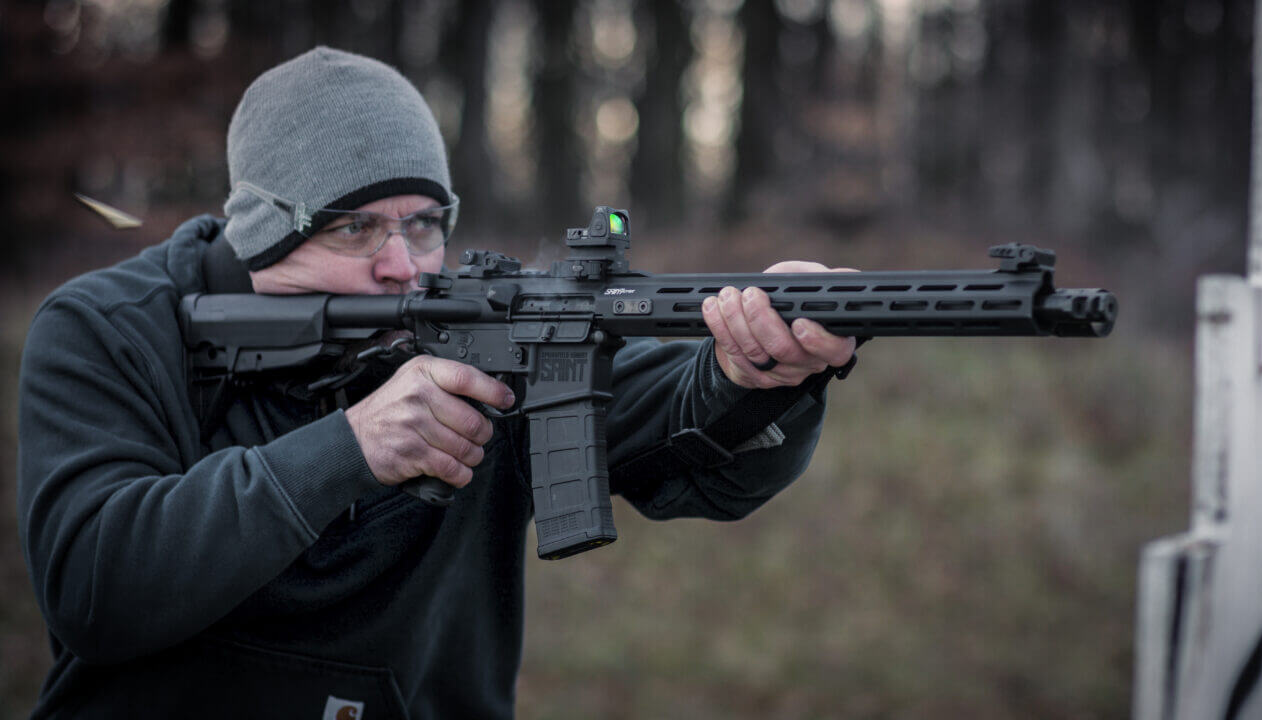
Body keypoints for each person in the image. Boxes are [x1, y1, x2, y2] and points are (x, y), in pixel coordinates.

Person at [16, 48, 854, 718]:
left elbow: (696, 452)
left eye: (424, 224)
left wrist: (752, 374)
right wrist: (350, 448)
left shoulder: (489, 328)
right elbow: (95, 587)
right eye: (355, 229)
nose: (403, 266)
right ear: (260, 233)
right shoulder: (111, 329)